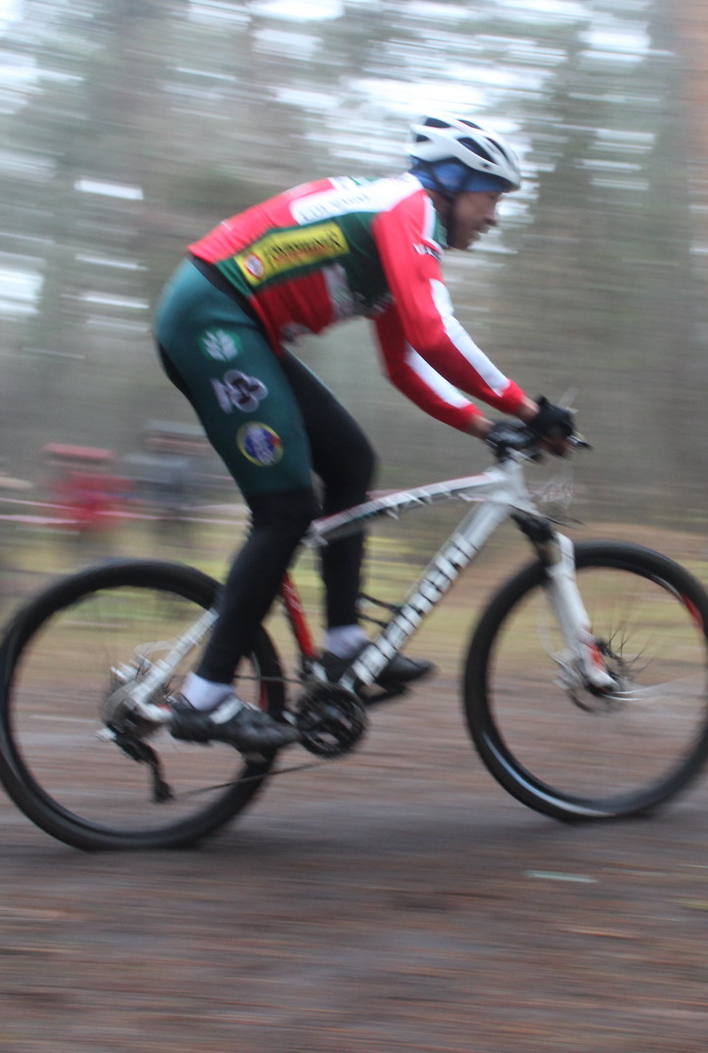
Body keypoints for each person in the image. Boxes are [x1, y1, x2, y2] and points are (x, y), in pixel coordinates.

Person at [152, 114, 573, 752]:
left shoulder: (397, 228)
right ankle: (205, 698)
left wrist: (485, 425)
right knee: (286, 508)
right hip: (212, 318)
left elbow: (405, 362)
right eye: (491, 197)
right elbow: (436, 333)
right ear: (452, 185)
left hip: (238, 323)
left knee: (350, 462)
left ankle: (343, 645)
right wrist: (528, 410)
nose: (494, 216)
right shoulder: (409, 209)